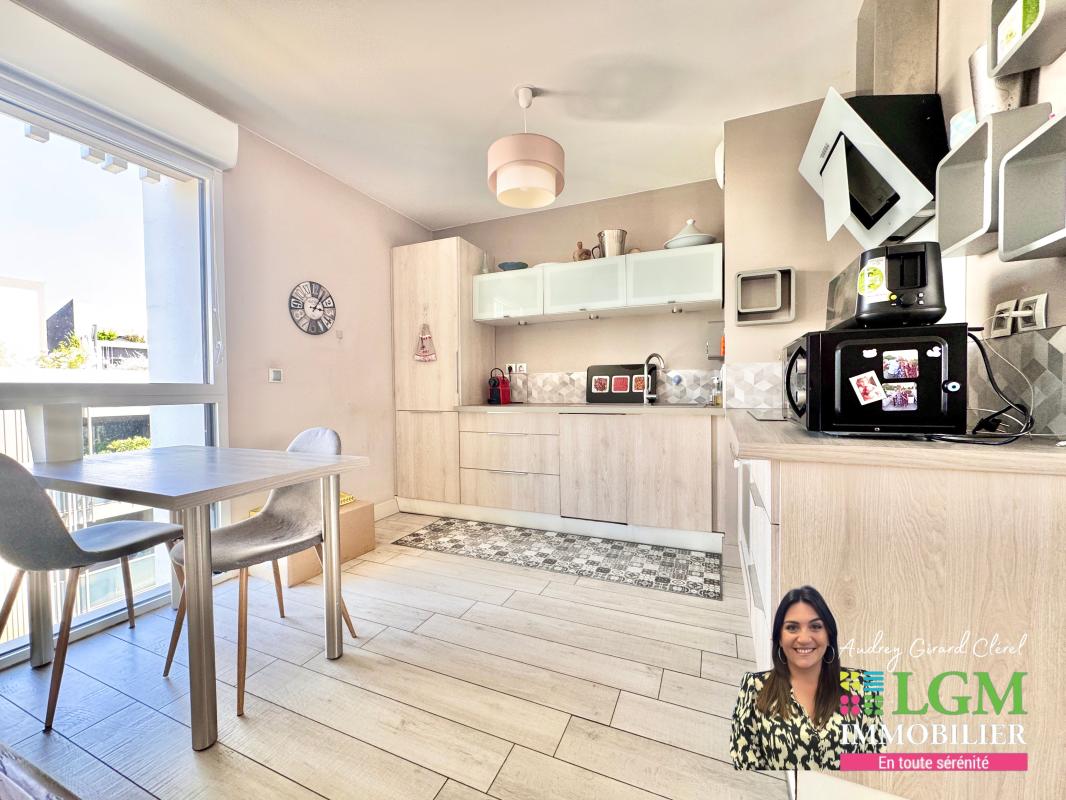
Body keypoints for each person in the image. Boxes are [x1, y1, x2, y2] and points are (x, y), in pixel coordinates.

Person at [729, 586, 885, 771]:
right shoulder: (753, 688)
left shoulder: (865, 684)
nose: (804, 638)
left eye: (816, 626)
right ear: (779, 638)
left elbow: (875, 763)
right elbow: (746, 767)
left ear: (829, 635)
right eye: (792, 627)